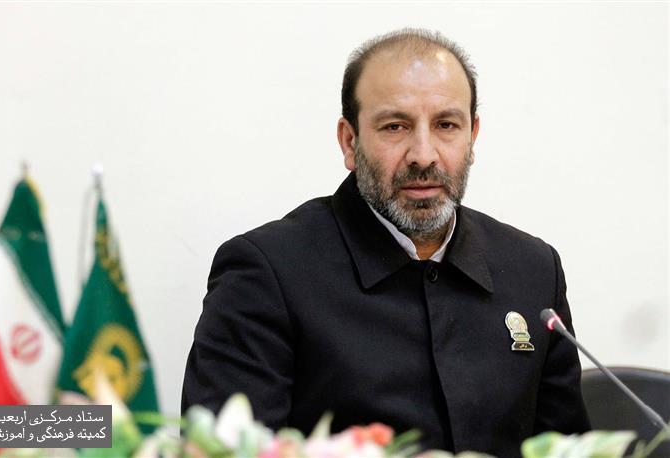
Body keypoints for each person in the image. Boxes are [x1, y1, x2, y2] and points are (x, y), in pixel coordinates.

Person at [181, 28, 590, 458]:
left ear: (473, 138)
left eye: (446, 125)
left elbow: (570, 448)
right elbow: (220, 452)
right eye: (395, 126)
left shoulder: (533, 270)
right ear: (350, 141)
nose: (424, 154)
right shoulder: (267, 273)